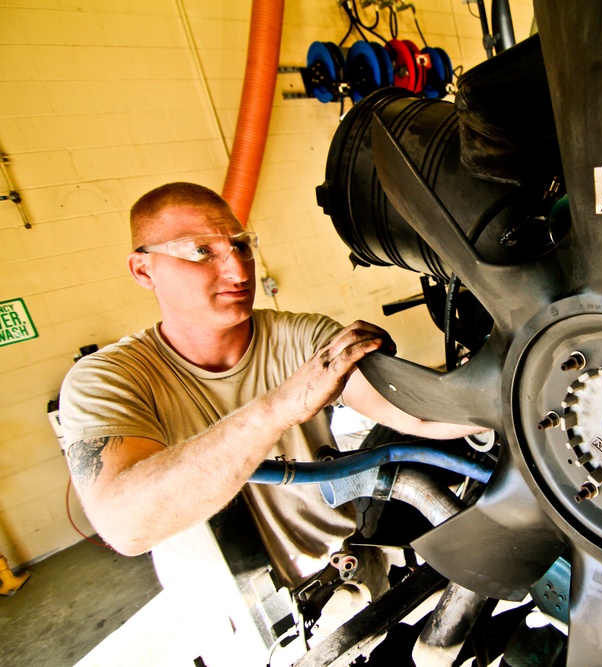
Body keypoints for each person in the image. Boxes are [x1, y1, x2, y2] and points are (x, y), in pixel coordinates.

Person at [58, 182, 477, 657]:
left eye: (240, 245)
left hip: (353, 584)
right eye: (201, 252)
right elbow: (126, 525)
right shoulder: (108, 379)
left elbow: (416, 415)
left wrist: (511, 397)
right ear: (143, 269)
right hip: (240, 630)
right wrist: (281, 406)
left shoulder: (301, 337)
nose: (237, 269)